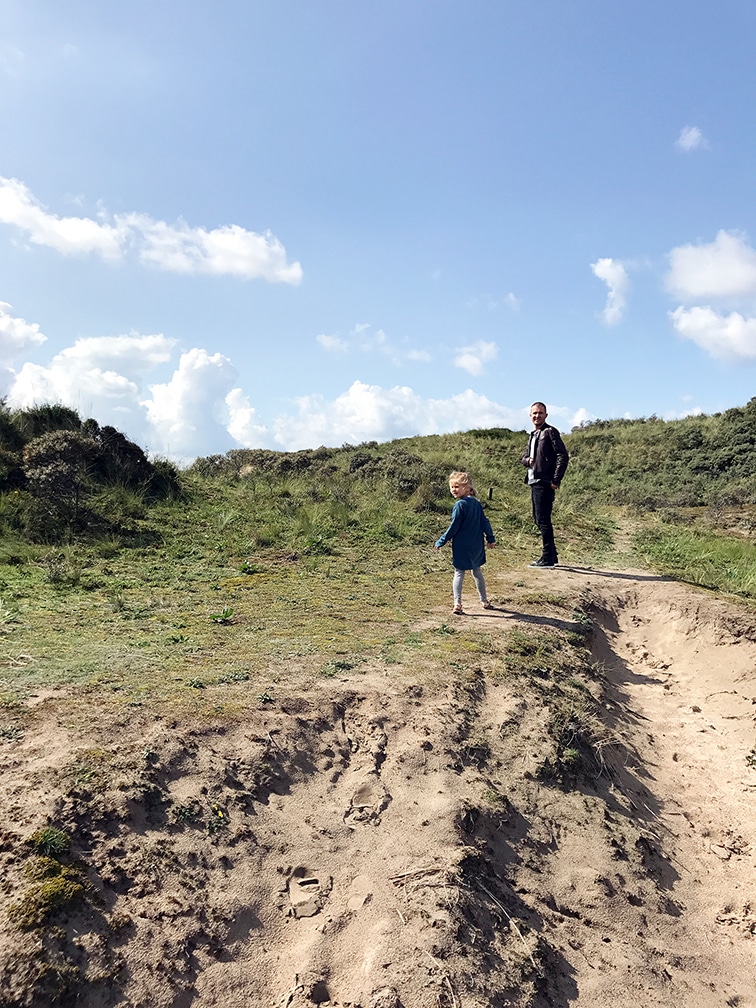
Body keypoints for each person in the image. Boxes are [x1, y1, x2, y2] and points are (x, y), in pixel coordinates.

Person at [434, 471, 496, 614]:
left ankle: (457, 603)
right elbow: (485, 522)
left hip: (461, 545)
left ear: (467, 488)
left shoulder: (459, 505)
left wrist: (441, 541)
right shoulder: (477, 504)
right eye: (452, 487)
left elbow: (454, 527)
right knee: (477, 571)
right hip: (476, 545)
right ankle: (484, 600)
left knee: (459, 572)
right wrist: (490, 538)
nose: (453, 490)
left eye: (457, 486)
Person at [521, 402, 569, 568]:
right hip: (534, 480)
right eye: (534, 413)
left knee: (542, 519)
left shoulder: (550, 432)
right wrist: (528, 460)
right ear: (530, 415)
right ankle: (552, 555)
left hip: (545, 481)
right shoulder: (533, 434)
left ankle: (547, 557)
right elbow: (524, 457)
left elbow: (562, 455)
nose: (537, 416)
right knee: (538, 518)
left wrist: (556, 480)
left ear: (546, 415)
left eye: (540, 413)